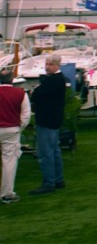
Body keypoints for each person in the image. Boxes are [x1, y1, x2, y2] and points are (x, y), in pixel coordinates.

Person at [28, 53, 66, 195]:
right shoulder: (57, 79)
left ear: (57, 65)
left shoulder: (53, 80)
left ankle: (49, 182)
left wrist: (35, 92)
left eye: (50, 64)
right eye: (47, 64)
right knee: (54, 151)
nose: (47, 67)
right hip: (53, 119)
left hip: (47, 120)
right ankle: (58, 179)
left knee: (45, 153)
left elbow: (37, 94)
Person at [0, 68, 31, 203]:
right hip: (12, 129)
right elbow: (26, 115)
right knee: (9, 161)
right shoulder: (20, 93)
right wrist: (20, 127)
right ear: (12, 80)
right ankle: (7, 193)